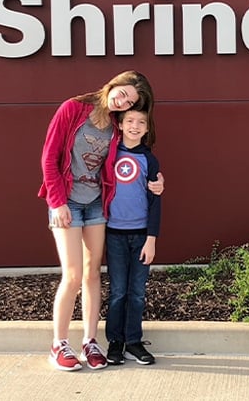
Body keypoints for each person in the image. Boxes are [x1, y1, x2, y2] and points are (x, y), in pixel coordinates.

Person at [38, 70, 163, 372]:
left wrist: (155, 180)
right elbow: (49, 157)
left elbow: (131, 156)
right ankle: (59, 344)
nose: (123, 101)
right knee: (73, 274)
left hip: (96, 204)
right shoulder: (73, 109)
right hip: (67, 202)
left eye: (130, 101)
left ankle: (91, 341)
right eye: (124, 92)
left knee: (93, 273)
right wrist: (56, 203)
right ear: (115, 82)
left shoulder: (117, 128)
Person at [105, 109, 161, 366]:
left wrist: (152, 238)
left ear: (147, 128)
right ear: (120, 124)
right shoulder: (109, 155)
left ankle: (134, 342)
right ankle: (115, 342)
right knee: (118, 292)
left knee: (136, 292)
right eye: (130, 121)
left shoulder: (150, 161)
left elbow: (155, 202)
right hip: (114, 234)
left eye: (141, 122)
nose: (135, 126)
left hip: (140, 235)